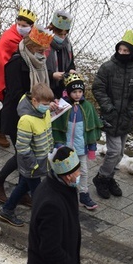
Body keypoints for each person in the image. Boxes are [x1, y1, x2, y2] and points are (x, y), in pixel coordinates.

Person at [0, 27, 52, 204]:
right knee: (22, 154)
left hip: (34, 113)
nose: (43, 53)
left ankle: (21, 190)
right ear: (31, 45)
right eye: (40, 50)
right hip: (18, 115)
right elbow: (15, 94)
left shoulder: (39, 61)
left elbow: (43, 85)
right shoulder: (16, 63)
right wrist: (39, 101)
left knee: (27, 154)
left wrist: (47, 101)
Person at [91, 29, 133, 200]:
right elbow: (98, 87)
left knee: (121, 152)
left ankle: (109, 178)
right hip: (110, 116)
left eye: (126, 51)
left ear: (132, 52)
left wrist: (131, 110)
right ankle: (101, 177)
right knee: (114, 151)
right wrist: (108, 107)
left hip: (126, 118)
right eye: (120, 50)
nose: (122, 53)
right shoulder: (107, 68)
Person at [0, 7, 38, 148]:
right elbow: (0, 57)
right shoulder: (10, 37)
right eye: (19, 24)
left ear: (31, 27)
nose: (21, 28)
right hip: (8, 76)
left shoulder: (31, 37)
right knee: (9, 104)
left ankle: (12, 130)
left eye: (25, 26)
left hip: (22, 75)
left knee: (16, 104)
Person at [0, 82, 55, 227]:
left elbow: (48, 131)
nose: (47, 107)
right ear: (34, 101)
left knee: (23, 185)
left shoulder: (45, 112)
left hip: (41, 160)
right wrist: (33, 164)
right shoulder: (26, 120)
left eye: (49, 104)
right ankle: (43, 222)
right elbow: (22, 147)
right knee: (38, 194)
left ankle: (7, 210)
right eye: (44, 104)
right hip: (32, 164)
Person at [52, 73, 102, 210]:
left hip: (81, 148)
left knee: (84, 171)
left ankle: (84, 194)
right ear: (68, 92)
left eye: (80, 91)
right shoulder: (62, 106)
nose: (78, 94)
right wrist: (58, 143)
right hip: (65, 147)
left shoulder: (87, 107)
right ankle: (60, 192)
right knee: (62, 171)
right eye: (74, 91)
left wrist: (91, 146)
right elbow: (55, 126)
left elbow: (91, 129)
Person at [45, 9, 76, 99]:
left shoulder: (67, 44)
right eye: (59, 34)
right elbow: (38, 66)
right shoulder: (43, 43)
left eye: (64, 34)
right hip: (47, 86)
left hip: (62, 87)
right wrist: (52, 75)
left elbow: (71, 62)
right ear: (52, 30)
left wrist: (70, 70)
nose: (62, 37)